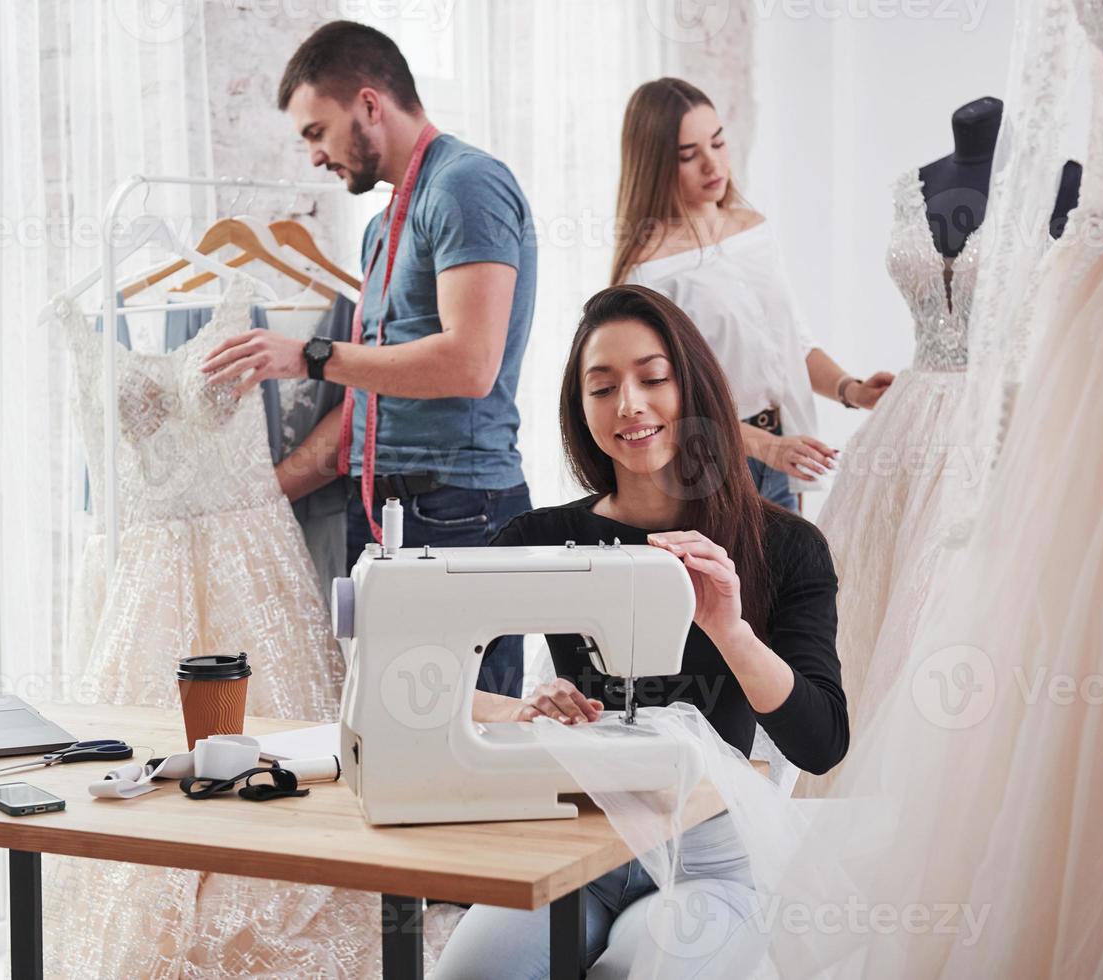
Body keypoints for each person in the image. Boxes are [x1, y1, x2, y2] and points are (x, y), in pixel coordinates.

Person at [433, 284, 848, 978]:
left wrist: (730, 630)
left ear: (694, 390)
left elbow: (821, 740)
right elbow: (419, 678)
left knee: (641, 971)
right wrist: (521, 711)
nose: (628, 404)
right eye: (601, 387)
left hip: (707, 859)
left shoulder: (785, 547)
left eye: (652, 378)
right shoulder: (542, 539)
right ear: (579, 408)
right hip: (577, 848)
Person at [203, 20, 536, 696]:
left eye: (315, 132)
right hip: (385, 515)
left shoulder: (466, 186)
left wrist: (311, 356)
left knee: (471, 740)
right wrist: (246, 498)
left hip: (457, 512)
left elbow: (470, 365)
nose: (314, 157)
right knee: (387, 741)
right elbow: (367, 405)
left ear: (368, 104)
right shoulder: (382, 230)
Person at [614, 77, 893, 511]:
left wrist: (851, 390)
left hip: (784, 453)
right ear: (654, 163)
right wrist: (764, 447)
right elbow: (664, 405)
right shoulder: (650, 271)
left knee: (790, 578)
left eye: (718, 143)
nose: (713, 165)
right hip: (712, 468)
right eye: (689, 155)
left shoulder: (753, 230)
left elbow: (791, 343)